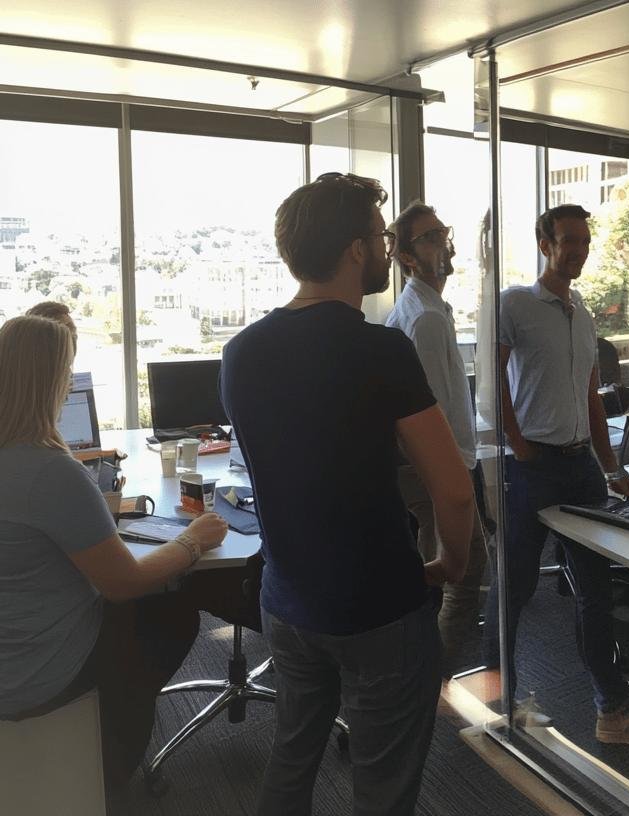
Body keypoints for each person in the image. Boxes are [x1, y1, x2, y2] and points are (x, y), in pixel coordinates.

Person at [220, 172, 475, 815]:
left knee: (293, 756)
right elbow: (454, 491)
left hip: (287, 600)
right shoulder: (380, 350)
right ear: (356, 251)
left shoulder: (239, 353)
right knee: (381, 784)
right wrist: (453, 564)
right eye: (380, 237)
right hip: (379, 608)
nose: (388, 250)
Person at [478, 203, 629, 745]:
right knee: (516, 587)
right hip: (534, 468)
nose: (577, 250)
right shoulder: (515, 305)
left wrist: (611, 466)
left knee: (594, 590)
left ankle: (612, 712)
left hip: (580, 467)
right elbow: (489, 384)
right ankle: (492, 700)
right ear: (544, 243)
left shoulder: (582, 312)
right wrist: (521, 446)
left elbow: (591, 400)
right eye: (568, 240)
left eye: (584, 241)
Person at [0, 314, 228, 791]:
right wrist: (194, 540)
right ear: (51, 385)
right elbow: (124, 584)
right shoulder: (49, 472)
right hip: (34, 674)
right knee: (172, 615)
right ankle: (110, 764)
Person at [385, 201, 492, 675]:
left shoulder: (428, 308)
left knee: (448, 574)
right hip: (437, 470)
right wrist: (452, 480)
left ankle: (420, 676)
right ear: (407, 257)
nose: (442, 244)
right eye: (428, 239)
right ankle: (425, 682)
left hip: (441, 466)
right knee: (460, 576)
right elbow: (425, 416)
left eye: (442, 234)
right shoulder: (424, 318)